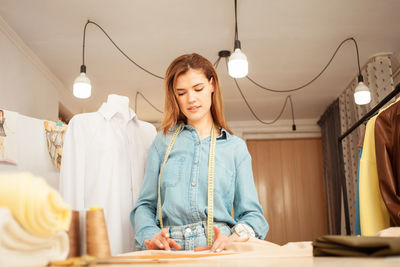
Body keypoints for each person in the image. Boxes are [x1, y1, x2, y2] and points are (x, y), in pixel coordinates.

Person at [131, 53, 268, 252]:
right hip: (170, 251)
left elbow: (253, 216)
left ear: (212, 85)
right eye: (181, 93)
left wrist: (233, 239)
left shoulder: (235, 148)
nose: (191, 99)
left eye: (198, 89)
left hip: (218, 251)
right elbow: (144, 206)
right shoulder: (162, 142)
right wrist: (151, 236)